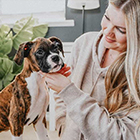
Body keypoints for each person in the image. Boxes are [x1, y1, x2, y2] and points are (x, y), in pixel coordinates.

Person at [41, 0, 140, 139]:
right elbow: (59, 95)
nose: (107, 31)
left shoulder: (136, 73)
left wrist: (69, 91)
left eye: (120, 29)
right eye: (107, 17)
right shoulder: (83, 44)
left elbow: (124, 135)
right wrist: (63, 126)